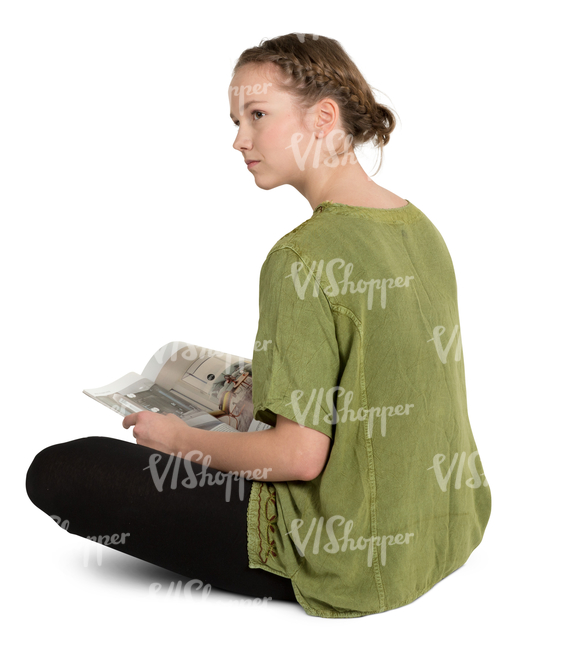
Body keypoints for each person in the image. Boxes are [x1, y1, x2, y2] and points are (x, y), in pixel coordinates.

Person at [26, 33, 492, 619]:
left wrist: (182, 442)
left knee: (63, 469)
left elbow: (299, 459)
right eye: (236, 119)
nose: (239, 139)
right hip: (444, 528)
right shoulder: (417, 225)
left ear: (324, 117)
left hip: (349, 555)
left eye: (257, 116)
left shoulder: (300, 257)